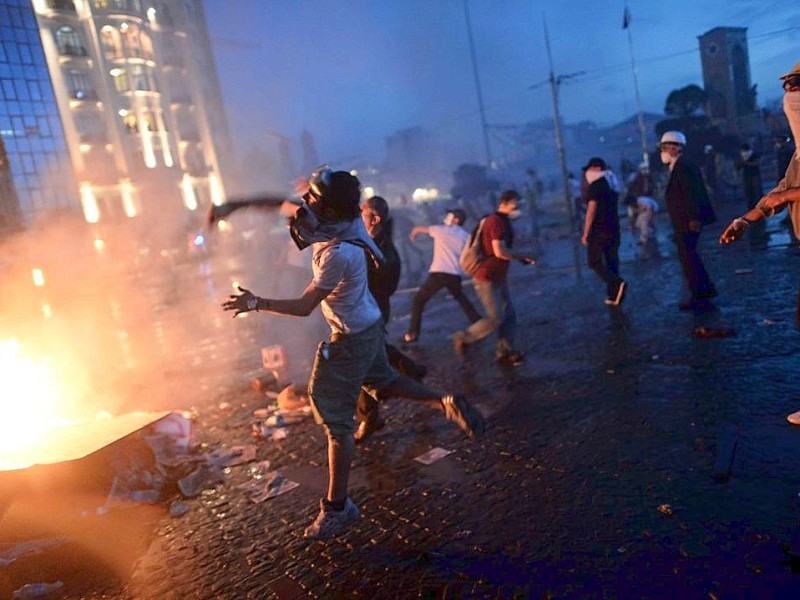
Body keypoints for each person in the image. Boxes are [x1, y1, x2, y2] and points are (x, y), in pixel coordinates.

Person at [222, 167, 485, 539]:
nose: (303, 207)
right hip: (369, 325)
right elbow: (292, 208)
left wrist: (255, 302)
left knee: (332, 417)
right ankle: (444, 401)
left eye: (312, 201)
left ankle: (338, 506)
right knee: (386, 382)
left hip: (349, 338)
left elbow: (303, 307)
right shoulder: (348, 225)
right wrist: (238, 205)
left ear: (329, 211)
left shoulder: (338, 254)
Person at [718, 61, 800, 424]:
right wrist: (743, 220)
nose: (790, 95)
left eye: (796, 85)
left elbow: (786, 195)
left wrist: (789, 196)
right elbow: (777, 194)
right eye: (787, 87)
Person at [354, 195, 427, 443]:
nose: (361, 217)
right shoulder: (366, 241)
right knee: (374, 352)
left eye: (365, 213)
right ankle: (412, 370)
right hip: (362, 311)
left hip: (370, 311)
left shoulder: (383, 252)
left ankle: (369, 417)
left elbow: (386, 286)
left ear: (375, 218)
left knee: (361, 362)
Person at [451, 190, 535, 366]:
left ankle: (505, 351)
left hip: (497, 276)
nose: (518, 206)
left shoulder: (501, 221)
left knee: (509, 315)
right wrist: (522, 257)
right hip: (486, 277)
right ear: (504, 203)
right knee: (495, 317)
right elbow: (499, 251)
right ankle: (464, 337)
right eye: (515, 203)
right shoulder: (495, 222)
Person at [660, 130, 718, 313]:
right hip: (684, 220)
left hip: (687, 221)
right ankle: (702, 292)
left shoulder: (683, 166)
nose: (662, 152)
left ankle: (701, 296)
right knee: (689, 257)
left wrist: (694, 218)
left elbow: (692, 192)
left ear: (675, 148)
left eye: (665, 147)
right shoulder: (679, 165)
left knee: (689, 258)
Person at [402, 209, 482, 343]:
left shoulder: (441, 230)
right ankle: (478, 321)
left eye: (450, 215)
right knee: (460, 297)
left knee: (418, 300)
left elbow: (418, 228)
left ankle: (412, 334)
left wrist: (413, 235)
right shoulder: (465, 236)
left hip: (439, 273)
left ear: (456, 219)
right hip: (455, 274)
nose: (447, 217)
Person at [581, 157, 626, 306]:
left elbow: (591, 210)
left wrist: (586, 232)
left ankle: (616, 283)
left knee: (594, 262)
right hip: (613, 227)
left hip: (599, 230)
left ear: (597, 169)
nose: (587, 172)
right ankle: (614, 295)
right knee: (612, 261)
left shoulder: (595, 186)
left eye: (589, 169)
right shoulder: (612, 184)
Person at [735, 144, 763, 210]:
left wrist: (746, 163)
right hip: (746, 177)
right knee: (748, 193)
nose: (742, 153)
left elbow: (756, 163)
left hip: (755, 176)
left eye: (743, 151)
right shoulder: (742, 158)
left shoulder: (753, 155)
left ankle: (760, 207)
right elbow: (737, 167)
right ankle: (751, 208)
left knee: (757, 192)